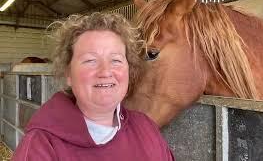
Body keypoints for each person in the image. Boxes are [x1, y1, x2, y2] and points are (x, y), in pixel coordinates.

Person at [12, 12, 175, 161]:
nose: (105, 72)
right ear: (68, 74)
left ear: (129, 69)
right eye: (90, 61)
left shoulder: (145, 127)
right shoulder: (41, 147)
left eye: (116, 60)